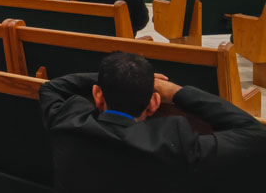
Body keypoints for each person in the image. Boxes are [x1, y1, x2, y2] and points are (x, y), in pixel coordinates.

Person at [40, 52, 266, 193]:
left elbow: (51, 87)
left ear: (98, 95)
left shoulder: (67, 121)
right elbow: (255, 133)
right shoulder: (174, 144)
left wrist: (111, 79)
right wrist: (176, 92)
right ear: (154, 103)